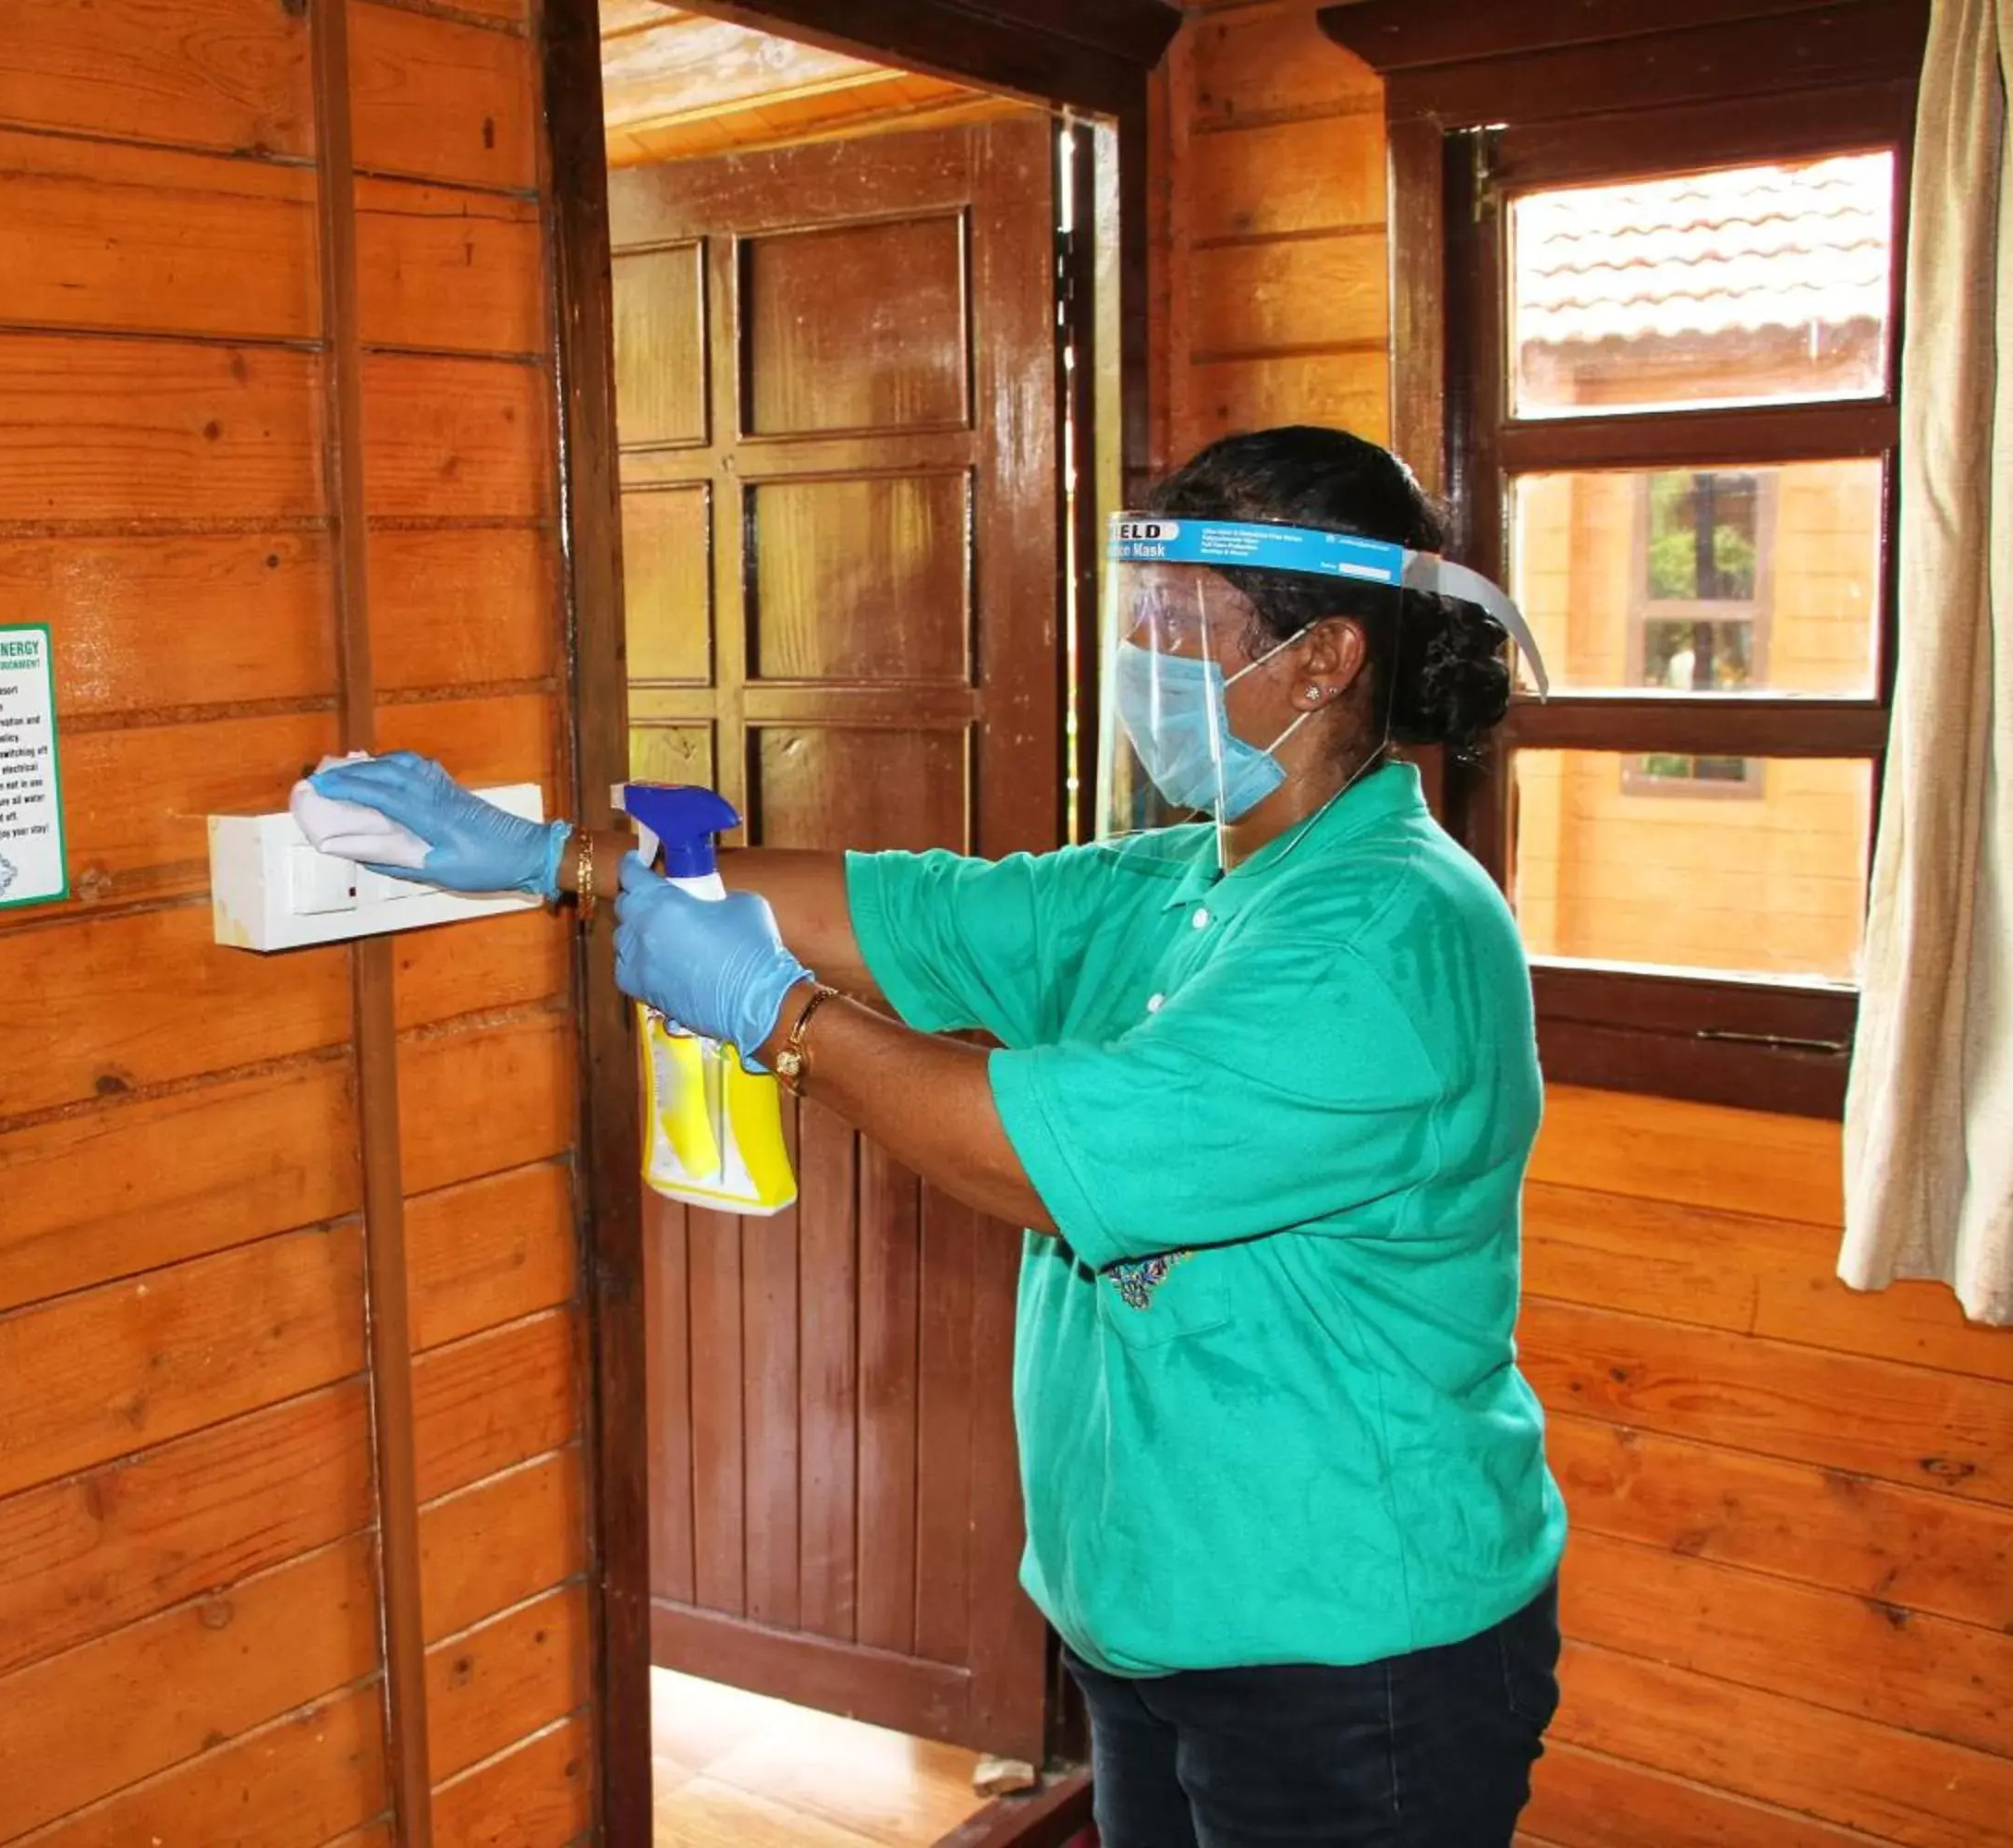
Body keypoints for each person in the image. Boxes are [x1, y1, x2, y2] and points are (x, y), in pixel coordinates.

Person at [304, 425, 1567, 1847]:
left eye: (1182, 625)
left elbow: (1025, 1156)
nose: (1145, 658)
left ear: (1326, 658)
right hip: (1155, 1618)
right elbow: (901, 910)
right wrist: (557, 859)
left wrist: (777, 1020)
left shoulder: (1391, 932)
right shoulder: (1179, 882)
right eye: (1138, 617)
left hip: (1351, 1653)